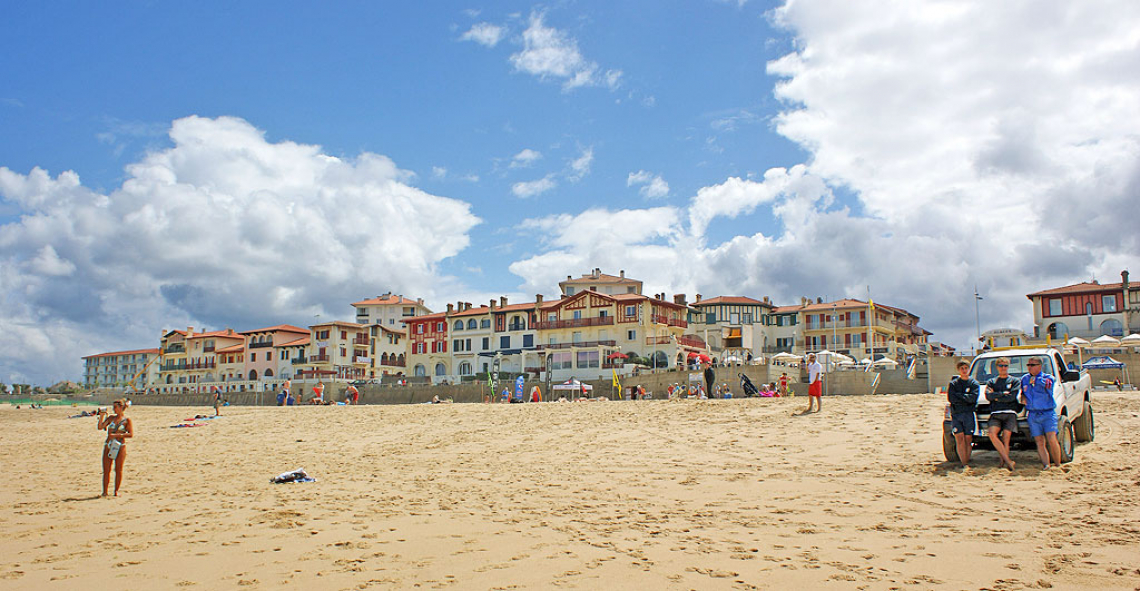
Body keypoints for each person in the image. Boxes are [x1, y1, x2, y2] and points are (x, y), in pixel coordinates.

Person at [1020, 356, 1062, 470]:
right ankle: (1046, 464)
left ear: (1039, 366)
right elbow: (1022, 392)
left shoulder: (1047, 378)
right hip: (1033, 414)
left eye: (1032, 365)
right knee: (1039, 441)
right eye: (1028, 365)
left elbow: (1048, 385)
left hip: (1047, 413)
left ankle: (1057, 464)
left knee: (1051, 438)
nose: (1030, 368)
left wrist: (1036, 380)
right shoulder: (1024, 379)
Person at [985, 357, 1022, 471]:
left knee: (1006, 438)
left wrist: (996, 397)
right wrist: (1002, 394)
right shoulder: (991, 381)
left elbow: (1012, 397)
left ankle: (1003, 462)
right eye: (1001, 366)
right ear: (997, 367)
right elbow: (988, 396)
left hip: (1010, 413)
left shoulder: (1015, 381)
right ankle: (1009, 461)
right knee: (992, 434)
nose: (1003, 368)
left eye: (1005, 365)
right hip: (995, 413)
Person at [947, 360, 981, 467]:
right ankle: (963, 462)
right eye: (962, 368)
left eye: (966, 368)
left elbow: (973, 398)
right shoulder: (954, 384)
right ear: (958, 370)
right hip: (957, 414)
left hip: (969, 414)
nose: (964, 370)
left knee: (968, 439)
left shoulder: (974, 383)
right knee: (959, 438)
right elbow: (951, 398)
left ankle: (967, 461)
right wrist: (965, 397)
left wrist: (960, 396)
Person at [96, 399, 133, 496]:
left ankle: (116, 491)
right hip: (108, 445)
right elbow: (100, 427)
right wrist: (102, 416)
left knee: (118, 470)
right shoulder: (111, 418)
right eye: (113, 407)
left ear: (121, 408)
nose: (114, 409)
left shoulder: (126, 420)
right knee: (106, 470)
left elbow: (130, 434)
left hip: (120, 446)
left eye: (115, 407)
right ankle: (105, 491)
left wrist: (117, 435)